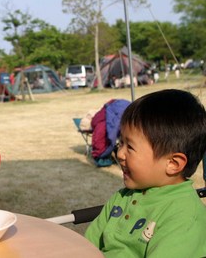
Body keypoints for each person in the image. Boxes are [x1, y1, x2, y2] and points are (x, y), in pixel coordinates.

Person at [85, 89, 206, 257]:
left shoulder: (185, 216)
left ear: (172, 163)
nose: (119, 154)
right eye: (121, 143)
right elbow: (86, 247)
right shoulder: (121, 198)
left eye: (130, 147)